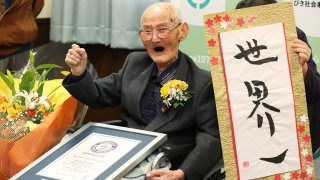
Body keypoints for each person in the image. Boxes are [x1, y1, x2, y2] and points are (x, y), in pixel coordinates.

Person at [63, 2, 222, 180]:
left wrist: (181, 174)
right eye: (147, 31)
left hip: (167, 162)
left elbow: (211, 138)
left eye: (163, 29)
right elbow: (98, 95)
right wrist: (78, 72)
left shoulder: (202, 82)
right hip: (124, 154)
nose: (154, 38)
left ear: (182, 31)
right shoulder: (134, 63)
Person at [236, 0, 320, 153]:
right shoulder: (234, 32)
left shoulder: (293, 35)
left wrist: (303, 66)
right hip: (248, 126)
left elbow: (315, 93)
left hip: (288, 129)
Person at [0, 0, 44, 72]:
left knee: (25, 81)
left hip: (22, 47)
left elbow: (37, 6)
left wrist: (24, 21)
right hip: (20, 41)